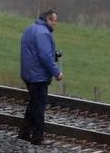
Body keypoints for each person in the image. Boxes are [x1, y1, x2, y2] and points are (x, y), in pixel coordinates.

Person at [18, 9, 63, 145]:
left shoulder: (30, 29)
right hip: (38, 76)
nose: (56, 23)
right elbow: (45, 56)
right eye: (54, 20)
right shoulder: (43, 33)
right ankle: (38, 137)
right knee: (39, 107)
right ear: (48, 20)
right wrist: (56, 72)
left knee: (33, 104)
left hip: (28, 73)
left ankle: (24, 133)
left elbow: (35, 51)